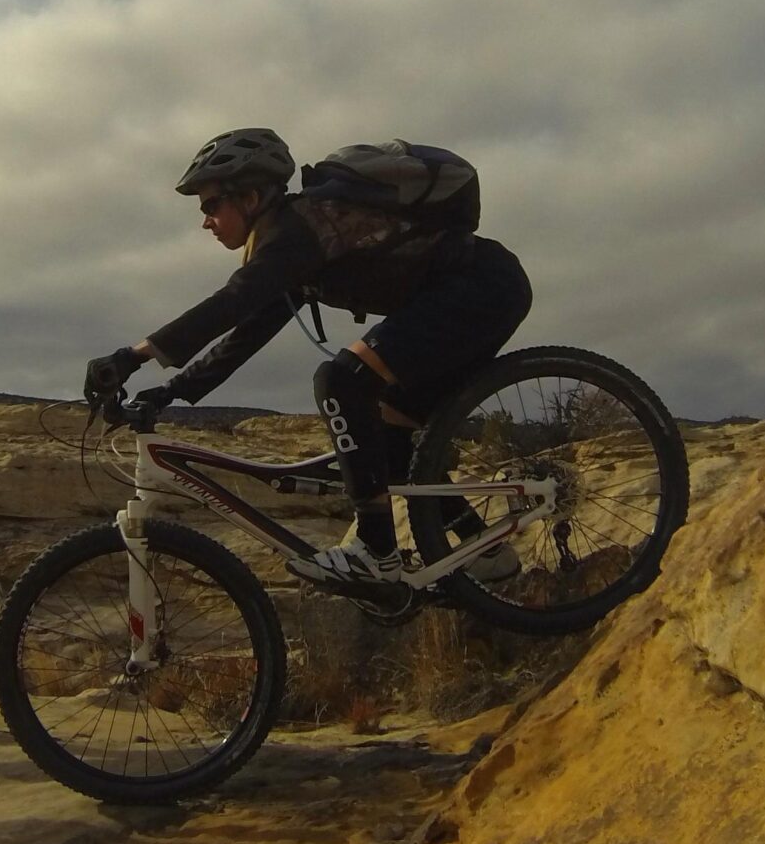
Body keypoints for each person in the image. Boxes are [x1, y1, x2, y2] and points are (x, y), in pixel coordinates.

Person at [86, 128, 530, 586]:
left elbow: (231, 303)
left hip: (480, 291)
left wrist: (132, 356)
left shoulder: (299, 229)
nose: (205, 220)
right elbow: (245, 335)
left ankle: (377, 553)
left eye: (210, 205)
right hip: (477, 293)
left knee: (340, 380)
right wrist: (170, 392)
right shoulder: (296, 244)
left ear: (251, 195)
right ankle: (489, 554)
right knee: (392, 446)